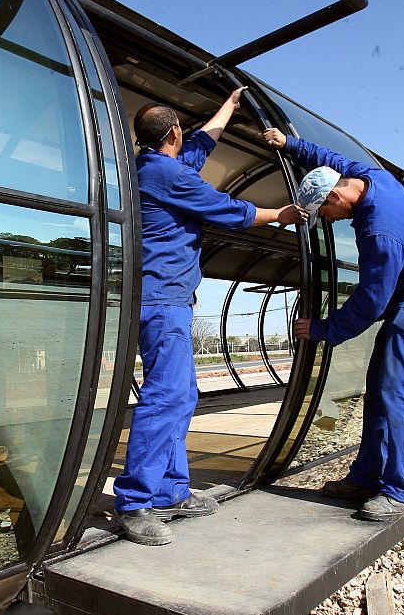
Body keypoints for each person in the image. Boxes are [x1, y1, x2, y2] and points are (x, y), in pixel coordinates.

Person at [114, 89, 306, 545]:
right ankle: (135, 502)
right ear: (173, 133)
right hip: (162, 301)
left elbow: (200, 143)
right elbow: (229, 210)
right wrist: (279, 213)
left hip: (167, 299)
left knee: (181, 395)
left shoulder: (156, 166)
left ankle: (171, 491)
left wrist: (229, 106)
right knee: (167, 397)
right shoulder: (165, 175)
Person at [263, 127, 404, 521]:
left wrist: (323, 329)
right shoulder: (371, 178)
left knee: (399, 391)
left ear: (335, 196)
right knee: (380, 390)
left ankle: (402, 492)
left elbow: (372, 300)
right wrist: (292, 145)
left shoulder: (379, 231)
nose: (331, 220)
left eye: (327, 214)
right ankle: (368, 477)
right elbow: (331, 160)